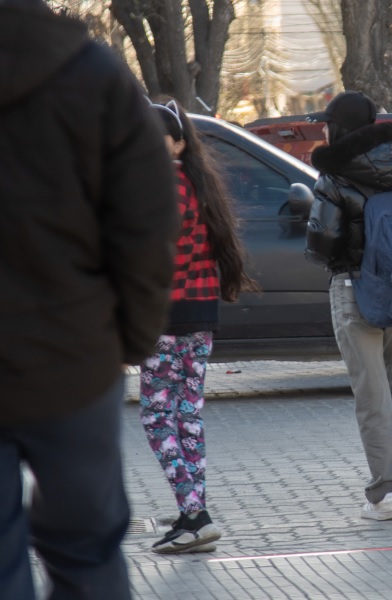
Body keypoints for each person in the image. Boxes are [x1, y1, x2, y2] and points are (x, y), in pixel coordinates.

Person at [0, 0, 179, 596]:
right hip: (73, 356)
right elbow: (146, 227)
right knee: (87, 548)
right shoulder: (93, 74)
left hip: (76, 352)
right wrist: (130, 339)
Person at [305, 91, 392, 520]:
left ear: (339, 128)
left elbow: (322, 241)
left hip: (356, 289)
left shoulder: (334, 179)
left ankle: (384, 495)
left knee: (372, 392)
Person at [139, 98, 257, 554]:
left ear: (178, 144)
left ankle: (197, 515)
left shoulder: (163, 187)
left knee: (156, 417)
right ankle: (193, 517)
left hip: (167, 317)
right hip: (201, 314)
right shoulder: (198, 184)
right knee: (187, 415)